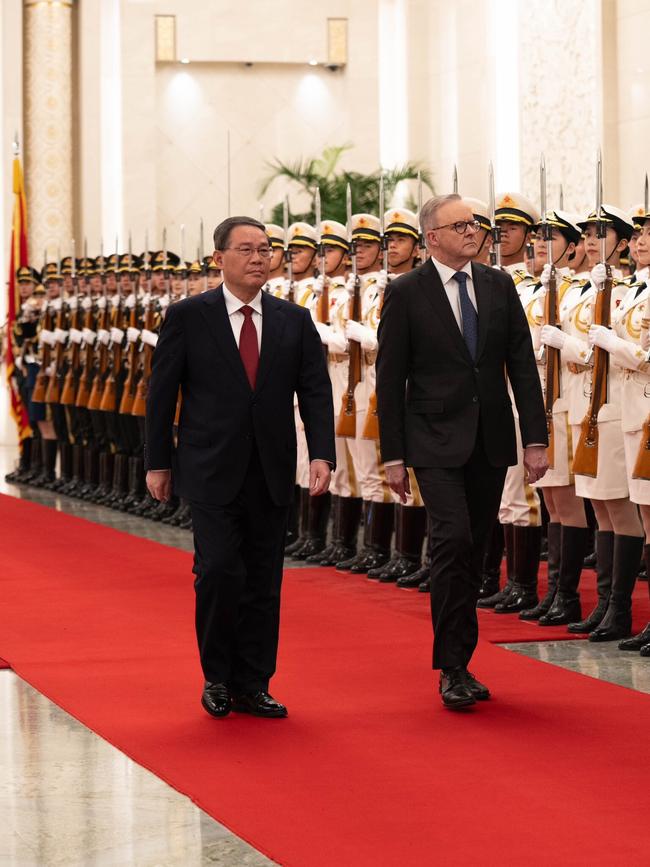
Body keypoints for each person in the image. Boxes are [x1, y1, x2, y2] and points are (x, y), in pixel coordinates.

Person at [145, 215, 335, 719]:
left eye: (265, 249)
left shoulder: (293, 320)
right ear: (219, 259)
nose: (258, 258)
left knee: (263, 579)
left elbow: (315, 391)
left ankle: (253, 682)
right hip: (209, 467)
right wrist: (158, 462)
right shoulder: (189, 316)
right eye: (246, 249)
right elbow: (161, 395)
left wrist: (321, 453)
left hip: (271, 469)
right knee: (218, 573)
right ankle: (217, 677)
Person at [376, 194, 548, 710]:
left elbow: (521, 363)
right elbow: (390, 378)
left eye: (476, 224)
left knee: (473, 548)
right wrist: (393, 454)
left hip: (489, 437)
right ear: (432, 237)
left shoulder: (498, 285)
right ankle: (452, 666)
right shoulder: (407, 292)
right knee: (450, 539)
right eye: (461, 225)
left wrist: (535, 438)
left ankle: (462, 658)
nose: (475, 232)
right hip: (432, 438)